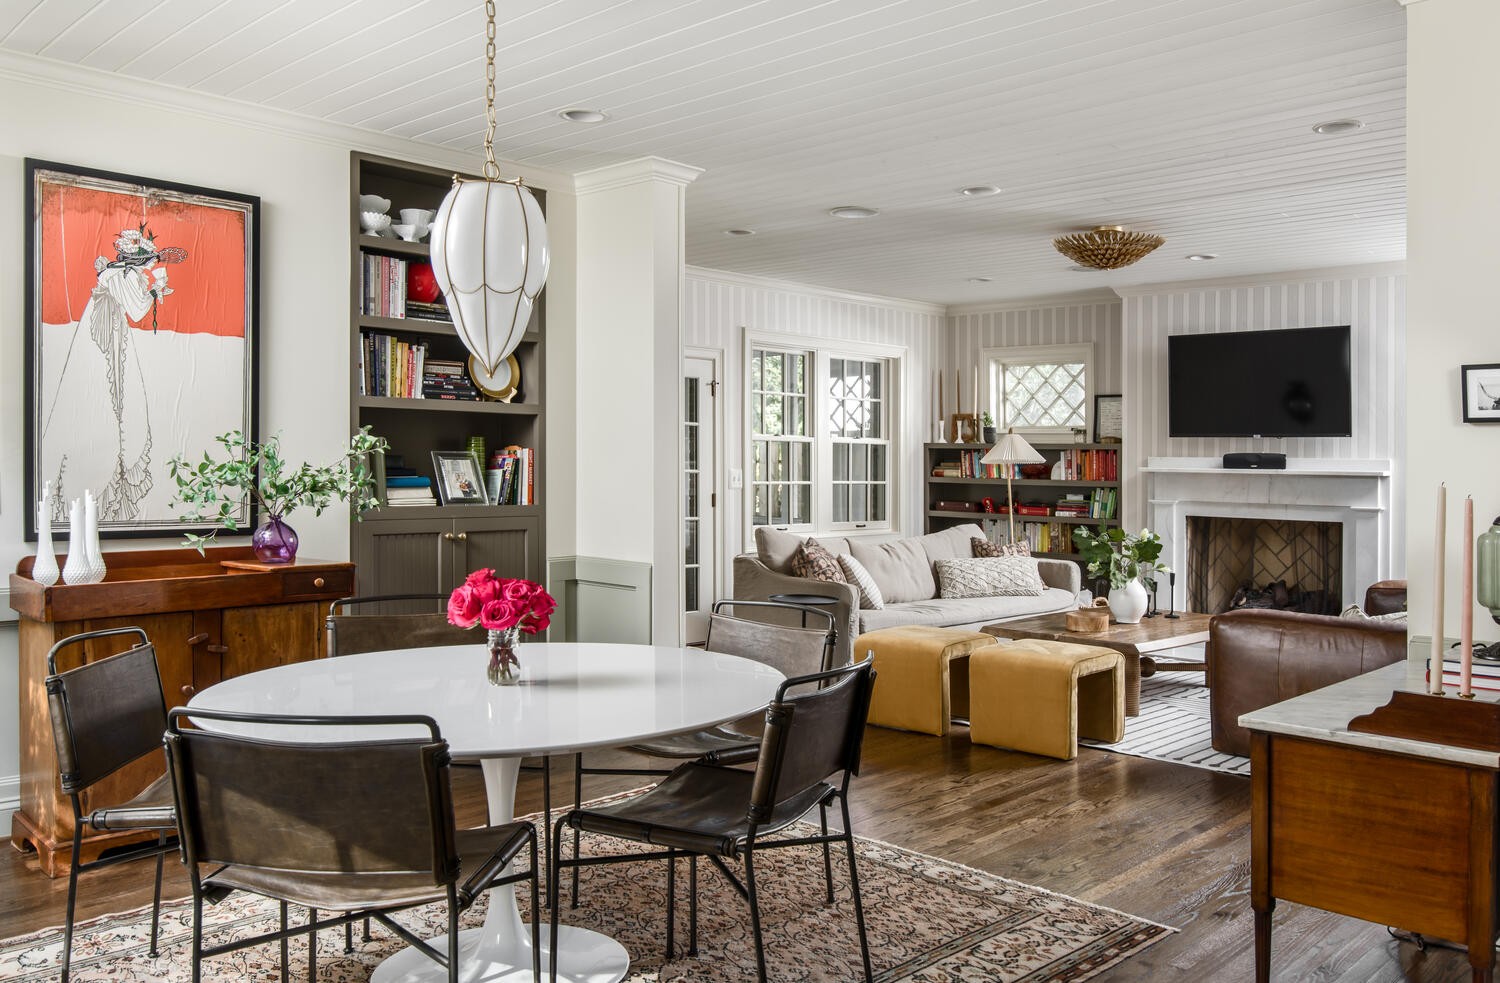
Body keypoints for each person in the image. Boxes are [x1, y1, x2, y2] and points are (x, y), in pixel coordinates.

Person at [42, 226, 185, 522]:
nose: (152, 265)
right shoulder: (124, 276)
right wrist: (156, 288)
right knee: (110, 393)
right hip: (107, 335)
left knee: (113, 392)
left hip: (107, 332)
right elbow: (137, 310)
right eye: (149, 260)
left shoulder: (115, 272)